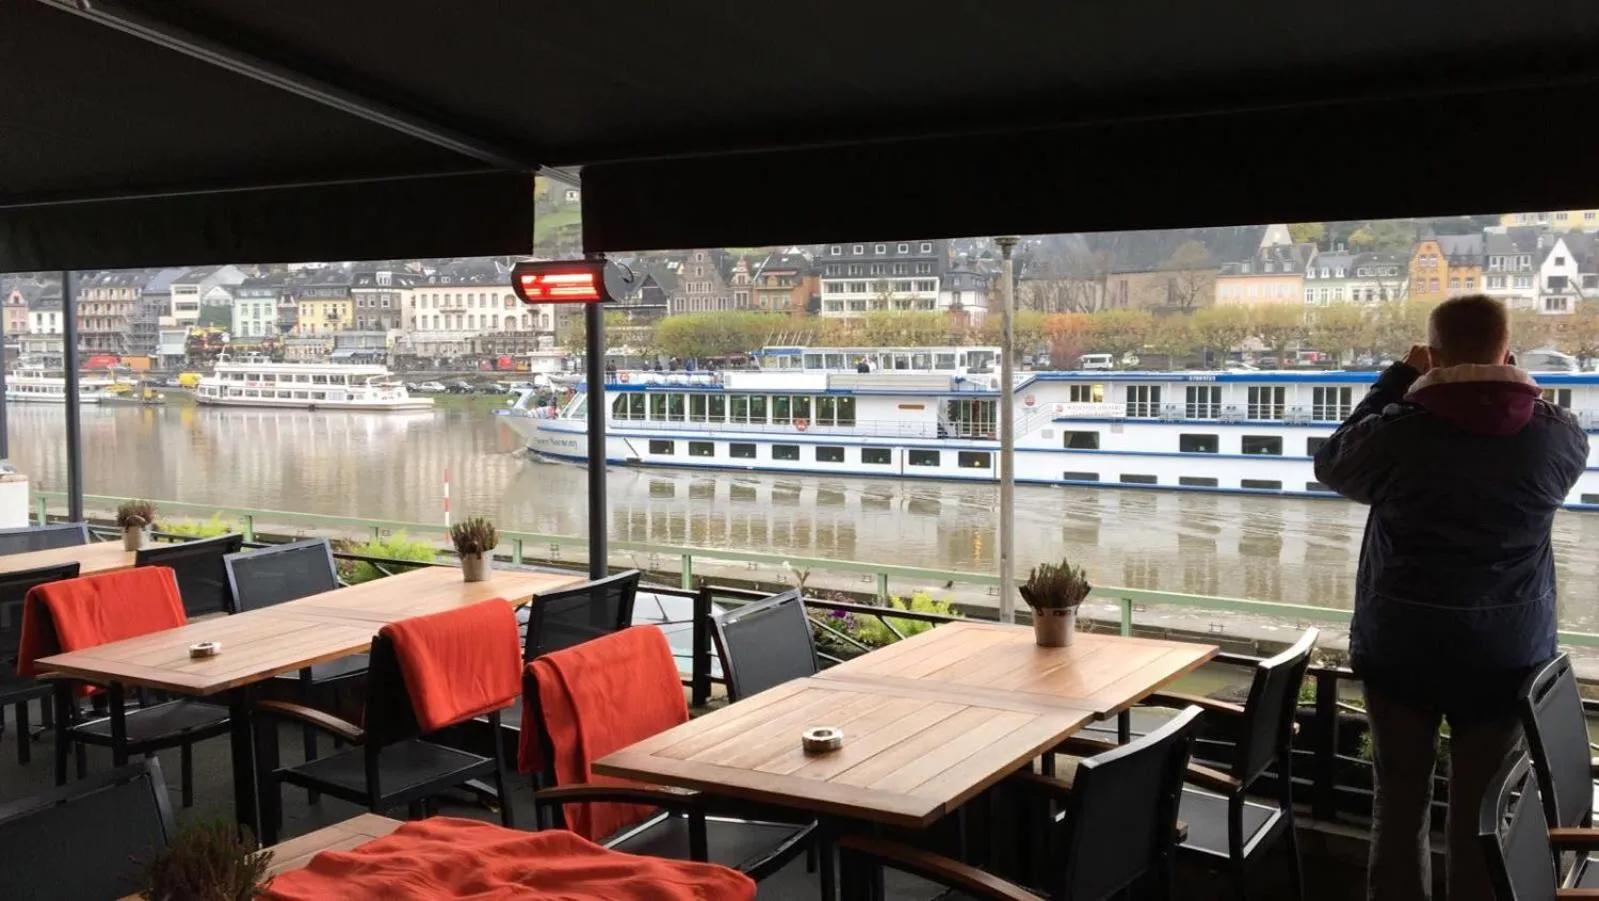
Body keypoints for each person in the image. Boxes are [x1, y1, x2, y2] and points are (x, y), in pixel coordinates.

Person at [1313, 294, 1587, 901]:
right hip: (1507, 654)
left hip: (1402, 649)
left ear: (1432, 357)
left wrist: (1397, 379)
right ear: (1508, 351)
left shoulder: (1400, 436)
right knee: (1485, 821)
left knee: (1400, 806)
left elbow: (1332, 463)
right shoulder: (1559, 437)